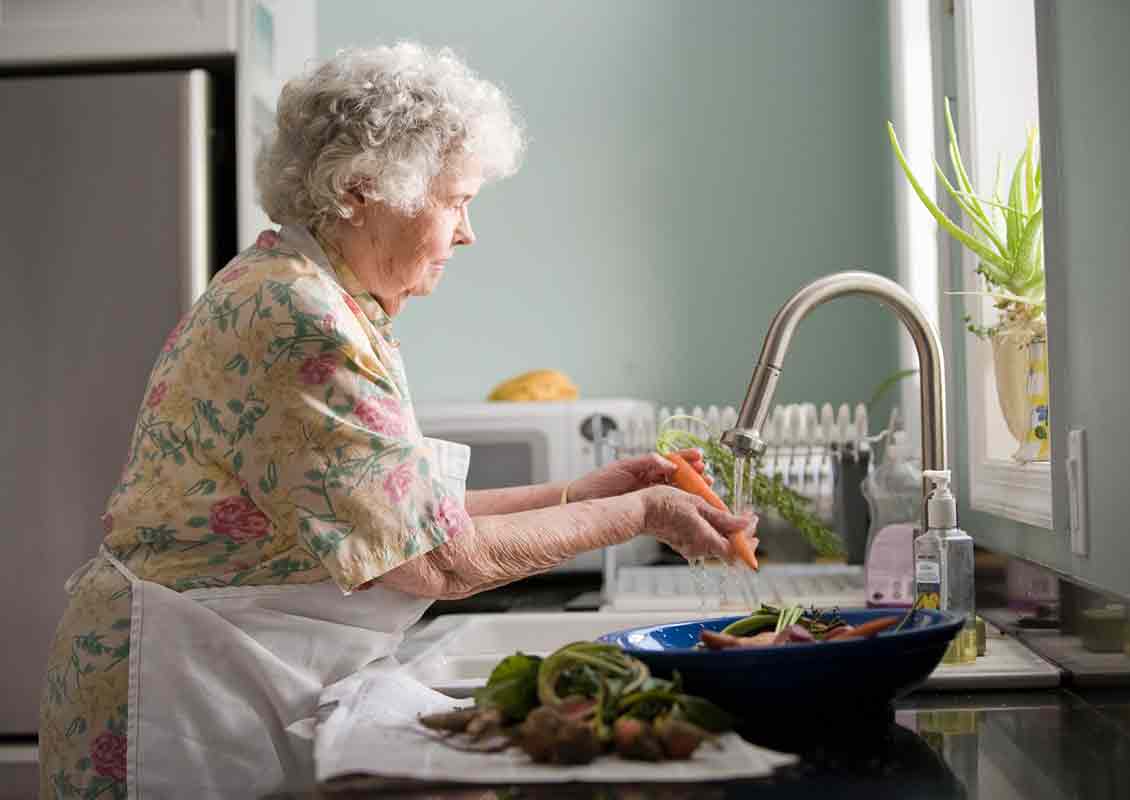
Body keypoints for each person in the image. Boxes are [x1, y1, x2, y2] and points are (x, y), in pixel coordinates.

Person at [38, 41, 757, 798]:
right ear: (361, 190)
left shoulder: (316, 298)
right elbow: (435, 560)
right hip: (182, 695)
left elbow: (398, 518)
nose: (468, 232)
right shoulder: (296, 317)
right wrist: (640, 511)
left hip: (227, 669)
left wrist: (584, 495)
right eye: (455, 202)